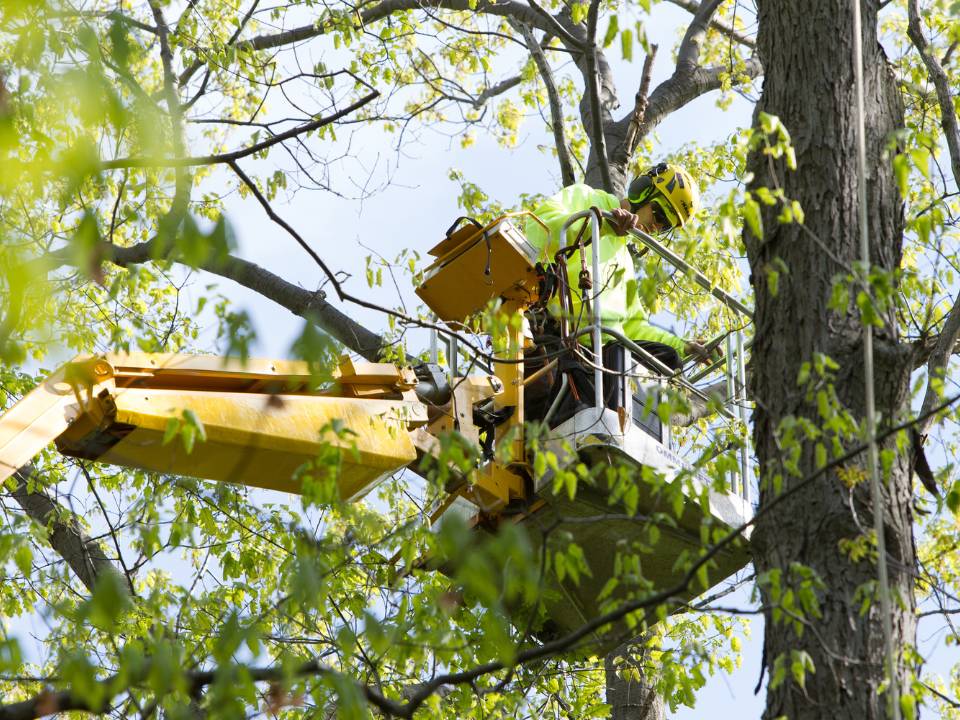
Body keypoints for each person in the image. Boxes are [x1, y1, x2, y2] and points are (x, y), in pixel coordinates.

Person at [523, 163, 712, 372]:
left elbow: (633, 327)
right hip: (552, 338)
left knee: (669, 358)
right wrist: (601, 224)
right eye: (659, 214)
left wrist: (682, 345)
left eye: (665, 226)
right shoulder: (587, 199)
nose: (656, 227)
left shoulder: (625, 263)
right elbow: (537, 230)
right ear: (642, 192)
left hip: (601, 361)